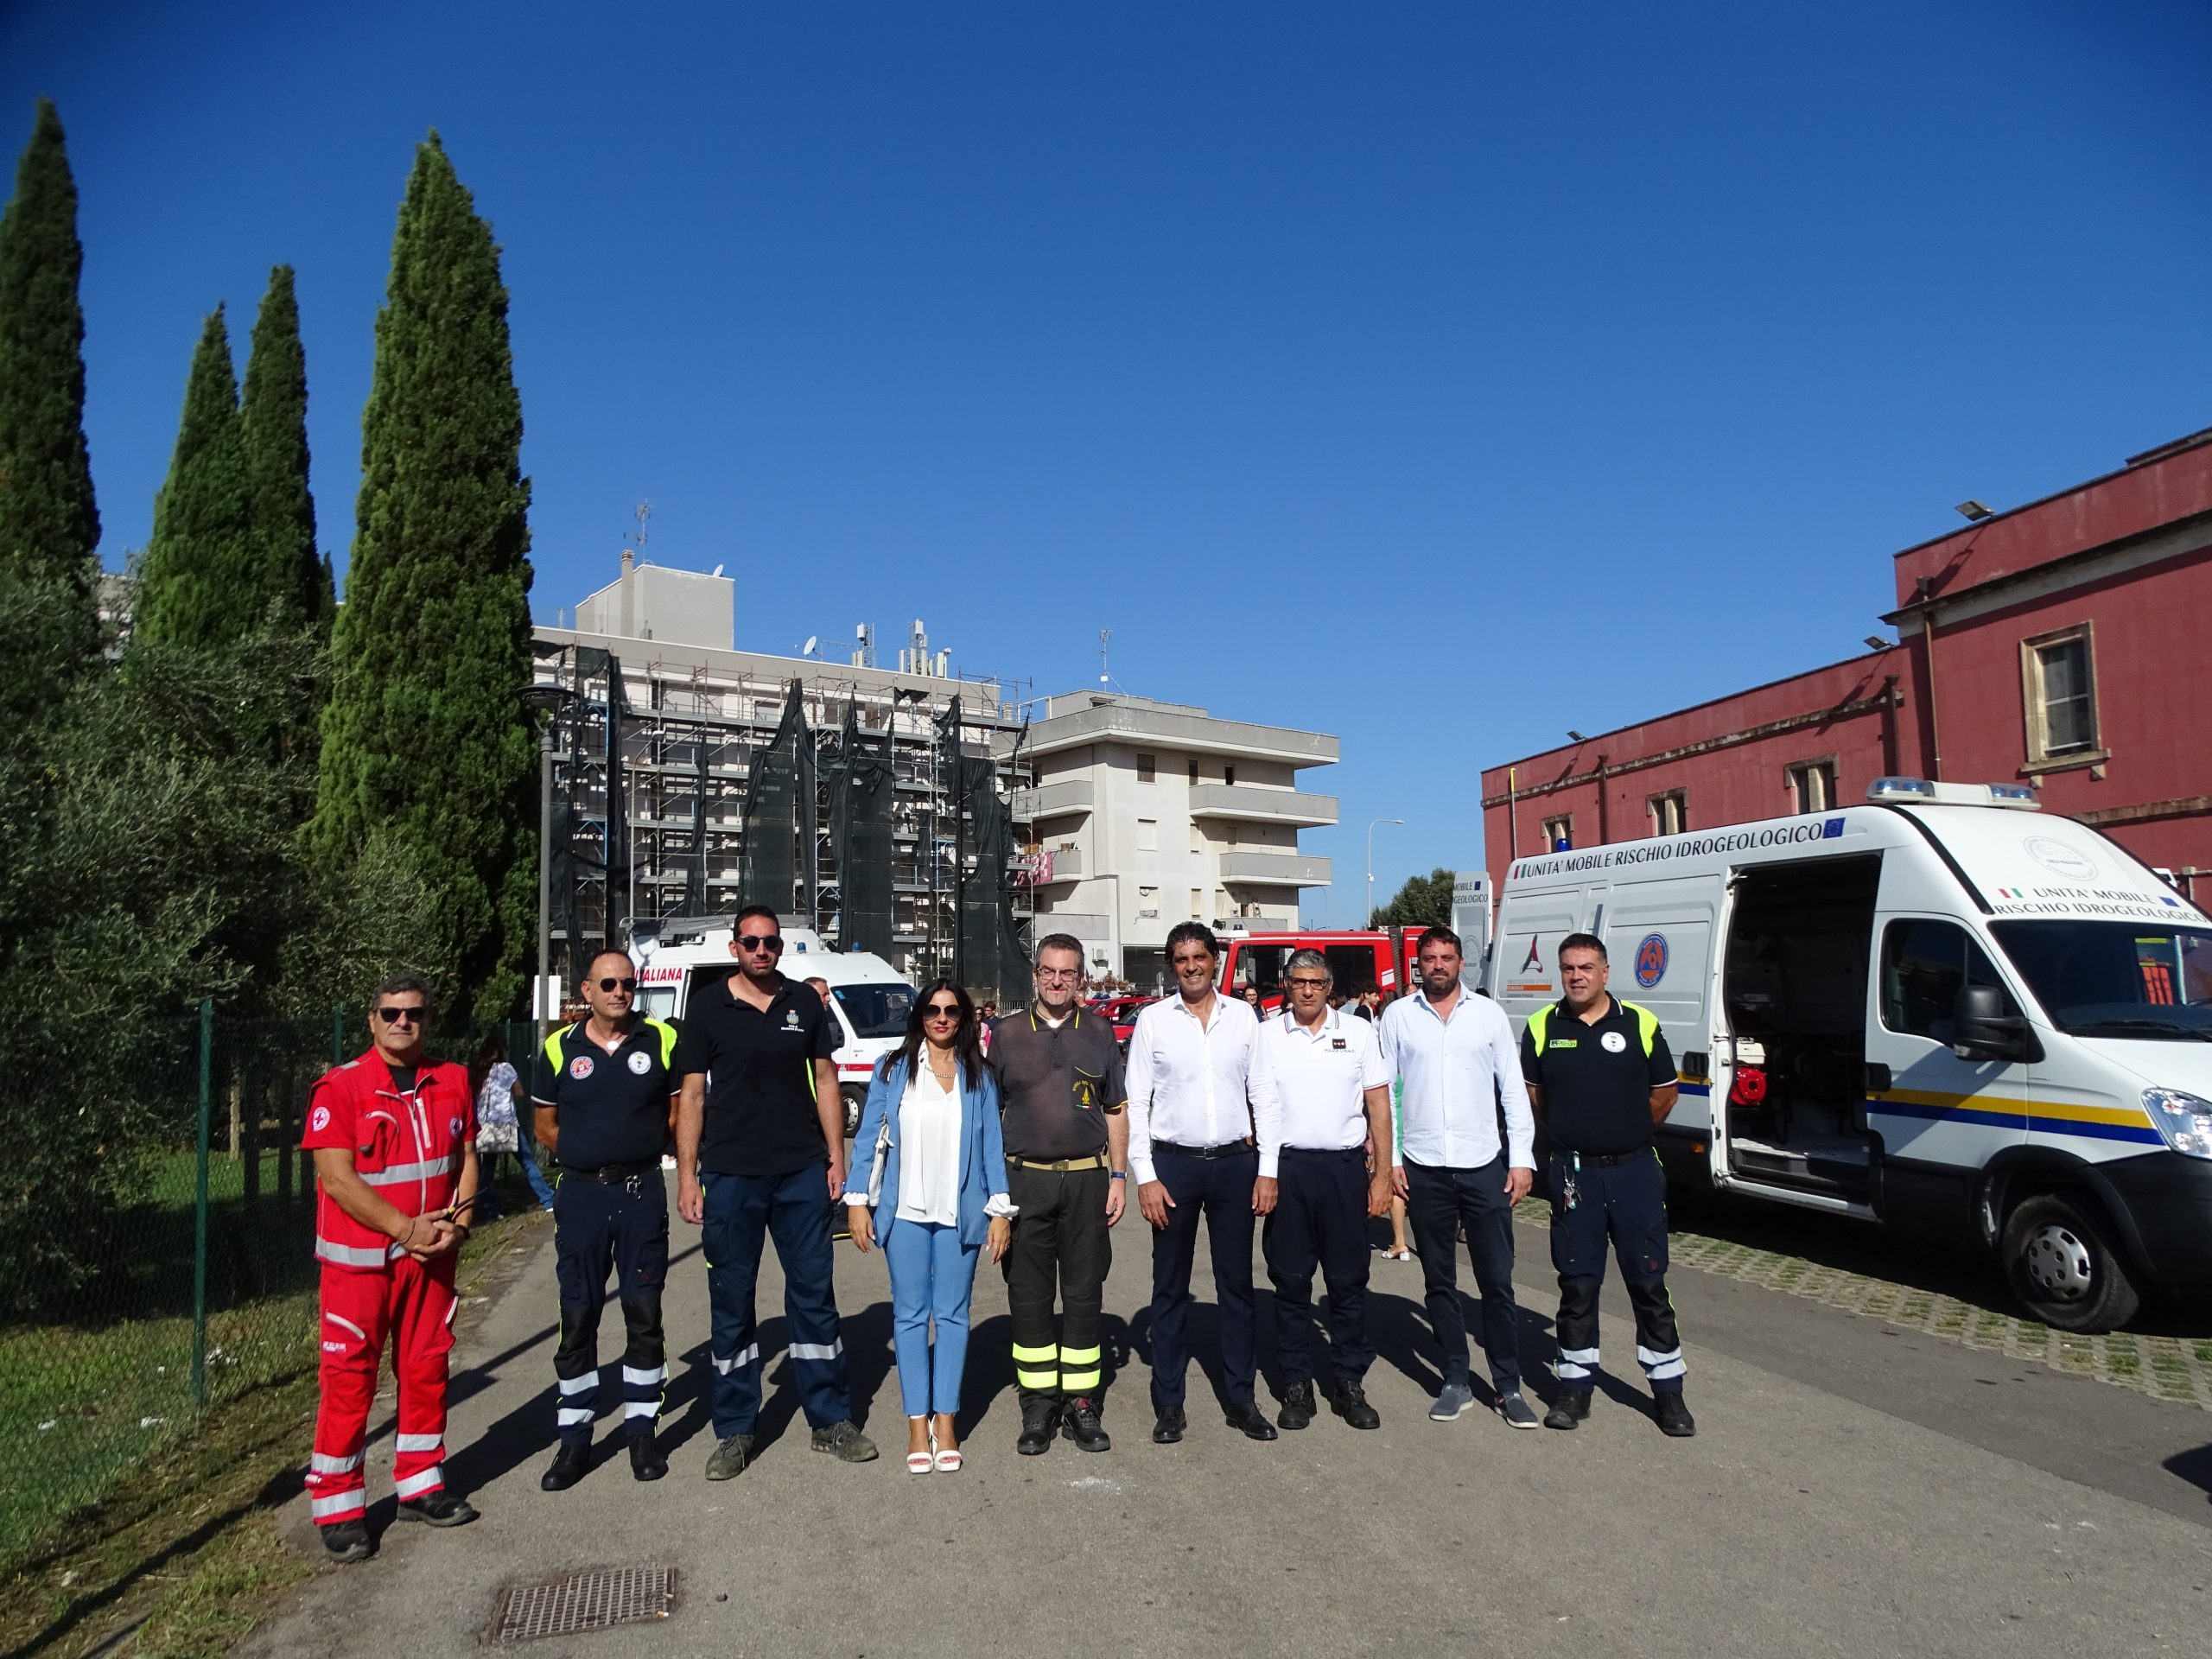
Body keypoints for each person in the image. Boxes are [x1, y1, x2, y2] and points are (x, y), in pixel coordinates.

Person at [675, 905, 877, 1477]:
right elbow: (691, 1097)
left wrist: (836, 1156)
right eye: (751, 942)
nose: (762, 951)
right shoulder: (708, 1007)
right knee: (732, 1306)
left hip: (799, 1174)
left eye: (770, 943)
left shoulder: (805, 1002)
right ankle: (736, 1430)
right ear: (735, 948)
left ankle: (830, 1419)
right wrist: (688, 1176)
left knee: (814, 1299)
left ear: (780, 948)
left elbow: (826, 1080)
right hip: (731, 1175)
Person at [300, 975, 480, 1563]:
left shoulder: (451, 1079)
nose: (404, 1022)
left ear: (428, 1019)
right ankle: (340, 1508)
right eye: (392, 1013)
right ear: (372, 1020)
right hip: (362, 1266)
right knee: (350, 1381)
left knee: (426, 1367)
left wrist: (459, 1222)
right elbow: (337, 1178)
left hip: (433, 1257)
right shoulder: (340, 1088)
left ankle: (421, 1483)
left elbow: (468, 1156)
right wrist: (405, 1230)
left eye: (415, 1013)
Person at [1522, 932, 1694, 1437]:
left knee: (1648, 1282)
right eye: (1568, 968)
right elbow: (1537, 1098)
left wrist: (1625, 1132)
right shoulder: (1541, 1026)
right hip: (1574, 1175)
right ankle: (1574, 1389)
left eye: (1586, 968)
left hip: (1635, 1172)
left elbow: (1665, 1093)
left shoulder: (1639, 1023)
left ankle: (1669, 1394)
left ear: (1605, 972)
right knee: (1578, 1285)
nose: (1577, 976)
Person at [843, 982, 1014, 1472]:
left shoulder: (978, 1076)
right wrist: (858, 1201)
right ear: (919, 1016)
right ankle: (917, 1423)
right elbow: (869, 1139)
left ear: (963, 1019)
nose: (942, 1018)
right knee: (912, 1318)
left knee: (955, 1316)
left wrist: (999, 1210)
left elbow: (990, 1150)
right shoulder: (892, 1070)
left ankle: (947, 1420)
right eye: (933, 1010)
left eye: (952, 1011)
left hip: (962, 1211)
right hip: (905, 1213)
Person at [1126, 922, 1282, 1445]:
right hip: (1174, 1167)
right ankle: (1169, 1403)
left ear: (1215, 960)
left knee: (1236, 1287)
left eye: (1199, 956)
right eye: (1180, 959)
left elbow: (1263, 1093)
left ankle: (1241, 1397)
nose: (1191, 966)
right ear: (1171, 965)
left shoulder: (1244, 1017)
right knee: (1169, 1288)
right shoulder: (1153, 1021)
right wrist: (1144, 1177)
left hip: (1236, 1165)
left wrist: (1268, 1169)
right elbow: (1138, 1105)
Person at [1381, 925, 1540, 1430]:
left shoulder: (1488, 1016)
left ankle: (1509, 1384)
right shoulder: (1398, 1017)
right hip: (1424, 1167)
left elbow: (1513, 1092)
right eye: (1429, 958)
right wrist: (1392, 1161)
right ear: (1418, 965)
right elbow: (1385, 1094)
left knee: (1497, 1281)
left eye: (1447, 957)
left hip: (1483, 1167)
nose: (1438, 966)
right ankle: (1455, 1378)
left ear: (1461, 963)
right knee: (1439, 1281)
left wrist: (1522, 1160)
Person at [533, 950, 682, 1491]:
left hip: (641, 1192)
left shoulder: (660, 1039)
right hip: (581, 1197)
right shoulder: (559, 1046)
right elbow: (545, 1123)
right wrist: (585, 1155)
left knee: (643, 1313)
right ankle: (574, 1439)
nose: (620, 991)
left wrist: (644, 1148)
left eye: (628, 983)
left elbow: (676, 1111)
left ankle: (642, 1431)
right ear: (587, 990)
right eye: (609, 983)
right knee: (579, 1314)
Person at [986, 934, 1128, 1456]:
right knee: (1028, 1296)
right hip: (1025, 1181)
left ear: (1081, 977)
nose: (1057, 981)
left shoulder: (1099, 1031)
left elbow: (1116, 1109)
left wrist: (1118, 1177)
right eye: (1048, 971)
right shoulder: (1003, 1035)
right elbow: (986, 1117)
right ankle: (1040, 1404)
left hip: (1088, 1180)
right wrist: (994, 1195)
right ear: (1035, 975)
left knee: (1085, 1293)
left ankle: (1083, 1403)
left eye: (1068, 973)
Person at [1258, 950, 1395, 1431]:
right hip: (1289, 1168)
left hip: (1343, 1170)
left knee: (1347, 1282)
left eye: (1316, 982)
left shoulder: (1358, 1032)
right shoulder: (1268, 1035)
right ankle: (1295, 1383)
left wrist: (1382, 1176)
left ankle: (1348, 1381)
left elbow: (1379, 1104)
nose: (1308, 990)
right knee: (1291, 1282)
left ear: (1330, 985)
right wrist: (1265, 1171)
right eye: (1299, 982)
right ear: (1287, 985)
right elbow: (1258, 1102)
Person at [471, 1033, 556, 1219]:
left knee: (488, 1169)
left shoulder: (478, 1071)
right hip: (506, 1123)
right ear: (502, 1051)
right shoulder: (506, 1068)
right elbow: (519, 1092)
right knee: (527, 1162)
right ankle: (547, 1199)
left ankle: (488, 1209)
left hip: (485, 1126)